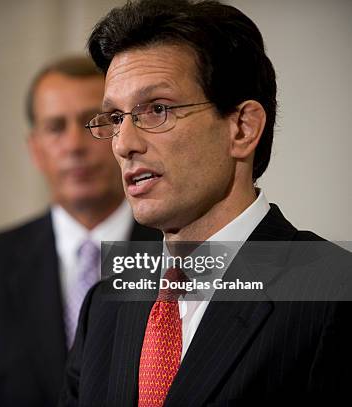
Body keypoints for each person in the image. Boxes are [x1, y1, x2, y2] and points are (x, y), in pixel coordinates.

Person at [59, 1, 352, 406]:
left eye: (157, 109)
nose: (124, 144)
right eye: (114, 118)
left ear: (242, 128)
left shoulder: (334, 294)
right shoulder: (106, 304)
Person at [0, 56, 161, 406]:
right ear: (35, 150)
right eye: (54, 127)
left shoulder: (181, 253)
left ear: (120, 134)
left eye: (90, 123)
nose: (73, 146)